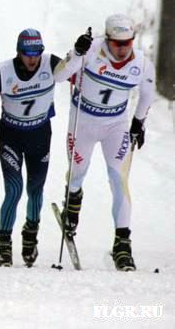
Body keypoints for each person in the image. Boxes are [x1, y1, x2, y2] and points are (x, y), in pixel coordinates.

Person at [0, 28, 87, 267]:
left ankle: (30, 236)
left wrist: (79, 55)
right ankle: (4, 242)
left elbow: (75, 76)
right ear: (19, 52)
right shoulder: (4, 71)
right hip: (11, 137)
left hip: (39, 136)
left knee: (35, 190)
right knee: (14, 189)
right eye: (28, 53)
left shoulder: (50, 63)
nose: (33, 59)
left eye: (37, 53)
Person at [58, 14, 155, 271]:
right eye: (117, 44)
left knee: (118, 180)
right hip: (83, 122)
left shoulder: (142, 63)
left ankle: (122, 244)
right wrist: (76, 53)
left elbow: (147, 95)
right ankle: (73, 203)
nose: (122, 49)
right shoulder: (91, 49)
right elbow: (59, 76)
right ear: (107, 39)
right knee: (77, 174)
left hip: (115, 126)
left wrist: (138, 123)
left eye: (127, 43)